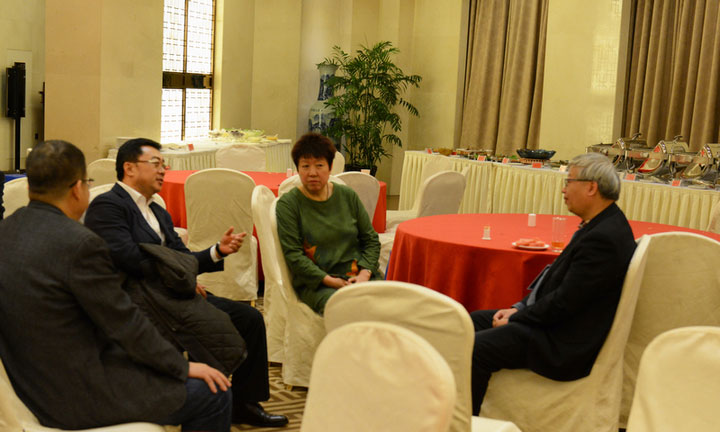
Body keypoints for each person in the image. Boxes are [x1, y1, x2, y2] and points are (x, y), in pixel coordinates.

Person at [0, 140, 232, 431]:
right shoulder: (80, 243)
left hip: (22, 380)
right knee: (213, 391)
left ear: (30, 186)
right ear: (77, 189)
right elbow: (123, 322)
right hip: (74, 393)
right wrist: (182, 366)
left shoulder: (6, 231)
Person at [84, 138, 287, 428]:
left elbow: (182, 258)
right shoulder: (109, 206)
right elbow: (128, 258)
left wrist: (217, 251)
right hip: (142, 301)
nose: (162, 170)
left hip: (173, 295)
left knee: (250, 318)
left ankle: (244, 404)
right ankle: (201, 400)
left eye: (163, 164)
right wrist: (180, 277)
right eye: (155, 163)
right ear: (129, 168)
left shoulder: (157, 210)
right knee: (208, 324)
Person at [471, 152, 637, 413]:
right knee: (471, 321)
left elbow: (563, 303)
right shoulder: (601, 224)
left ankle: (464, 422)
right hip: (557, 324)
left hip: (563, 342)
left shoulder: (603, 238)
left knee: (476, 347)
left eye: (569, 182)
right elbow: (555, 283)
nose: (563, 189)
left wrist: (517, 319)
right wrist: (518, 309)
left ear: (591, 187)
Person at [276, 132, 382, 315]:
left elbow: (371, 239)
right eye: (305, 166)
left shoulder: (347, 196)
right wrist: (329, 281)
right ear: (298, 169)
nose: (312, 173)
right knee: (347, 310)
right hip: (318, 284)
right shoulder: (289, 204)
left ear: (330, 167)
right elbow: (294, 256)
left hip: (359, 276)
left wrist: (364, 274)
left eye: (319, 165)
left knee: (391, 307)